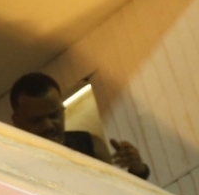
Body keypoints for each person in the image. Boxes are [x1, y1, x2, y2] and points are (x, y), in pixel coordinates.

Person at [9, 72, 150, 179]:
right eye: (36, 120)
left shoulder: (90, 145)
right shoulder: (11, 163)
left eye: (54, 116)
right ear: (17, 121)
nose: (48, 126)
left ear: (63, 110)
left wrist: (137, 170)